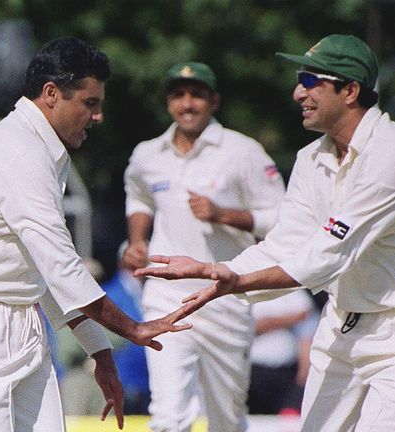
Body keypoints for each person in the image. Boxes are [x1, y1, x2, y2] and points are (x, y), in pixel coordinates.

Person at [137, 34, 395, 432]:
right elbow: (284, 244)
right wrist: (216, 270)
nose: (298, 93)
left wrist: (237, 281)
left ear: (350, 90)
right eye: (300, 80)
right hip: (343, 325)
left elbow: (328, 252)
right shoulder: (311, 159)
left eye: (311, 81)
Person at [0, 37, 191, 432]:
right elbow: (61, 268)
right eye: (90, 103)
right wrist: (133, 328)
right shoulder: (18, 151)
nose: (97, 117)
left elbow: (45, 273)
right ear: (51, 94)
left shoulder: (41, 151)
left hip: (18, 321)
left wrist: (101, 352)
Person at [123, 62, 286, 432]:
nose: (187, 104)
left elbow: (284, 218)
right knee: (167, 415)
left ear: (214, 101)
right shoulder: (148, 154)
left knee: (226, 418)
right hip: (166, 297)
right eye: (179, 95)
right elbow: (138, 197)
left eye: (197, 95)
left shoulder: (243, 151)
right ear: (168, 103)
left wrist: (224, 214)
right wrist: (137, 241)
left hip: (225, 296)